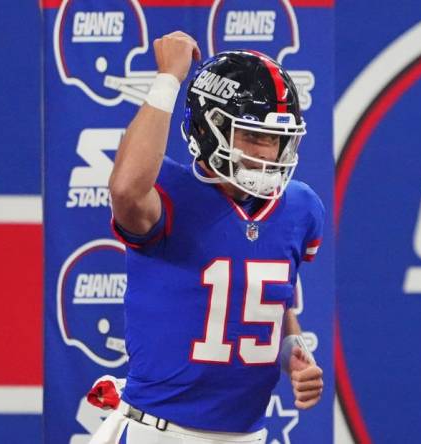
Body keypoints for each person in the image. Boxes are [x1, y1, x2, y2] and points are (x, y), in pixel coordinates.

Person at [107, 30, 325, 444]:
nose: (266, 154)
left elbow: (268, 295)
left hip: (248, 435)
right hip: (158, 433)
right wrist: (169, 78)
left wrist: (291, 348)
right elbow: (126, 191)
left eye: (276, 140)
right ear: (209, 129)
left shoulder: (301, 207)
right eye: (253, 135)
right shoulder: (168, 190)